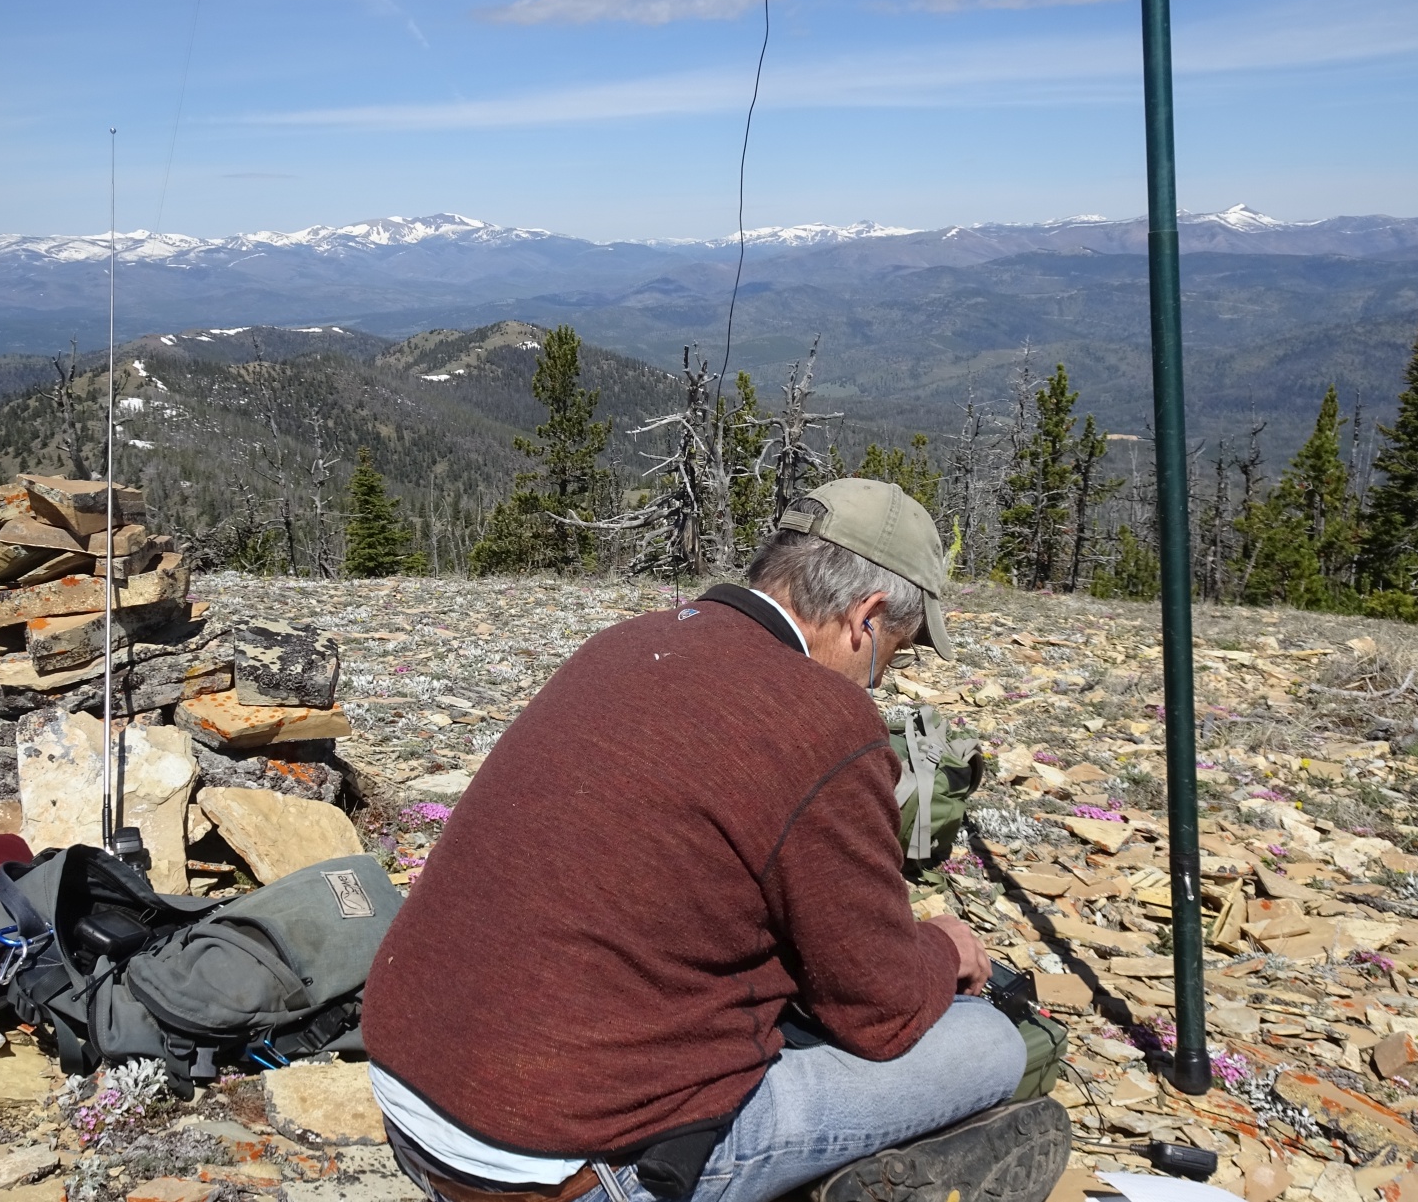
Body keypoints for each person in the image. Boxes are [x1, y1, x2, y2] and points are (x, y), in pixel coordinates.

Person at [363, 479, 1070, 1202]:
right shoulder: (825, 718)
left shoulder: (628, 640)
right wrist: (944, 948)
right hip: (560, 1164)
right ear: (866, 616)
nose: (882, 678)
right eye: (898, 649)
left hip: (409, 1094)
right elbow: (879, 1011)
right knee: (988, 1045)